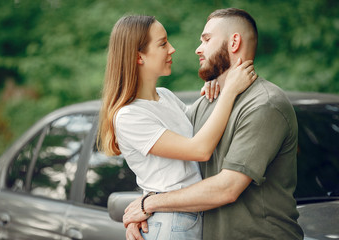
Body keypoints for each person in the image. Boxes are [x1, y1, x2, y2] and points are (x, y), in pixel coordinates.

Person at [123, 8, 304, 240]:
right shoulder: (206, 103)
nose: (198, 48)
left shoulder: (265, 104)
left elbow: (227, 188)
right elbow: (170, 170)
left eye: (206, 39)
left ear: (234, 42)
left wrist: (149, 204)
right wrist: (144, 215)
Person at [98, 15, 256, 240]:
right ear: (138, 56)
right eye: (162, 44)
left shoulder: (165, 97)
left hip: (192, 218)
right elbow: (199, 149)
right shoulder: (129, 116)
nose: (172, 49)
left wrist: (217, 84)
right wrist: (229, 91)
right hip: (172, 224)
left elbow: (206, 128)